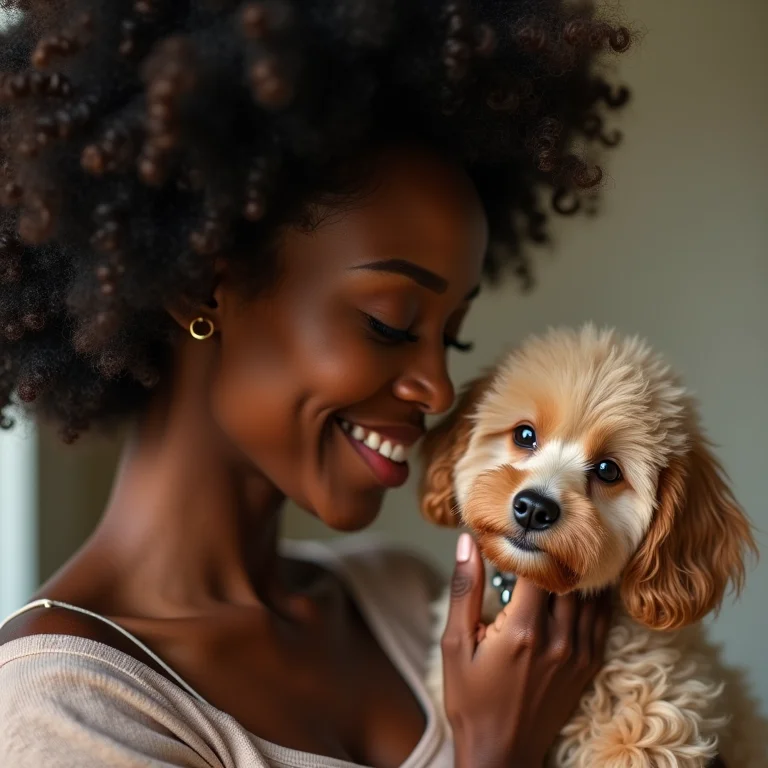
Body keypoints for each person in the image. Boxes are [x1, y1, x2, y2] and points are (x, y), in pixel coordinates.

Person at [0, 1, 634, 766]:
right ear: (202, 285)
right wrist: (496, 750)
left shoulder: (404, 600)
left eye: (451, 334)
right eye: (390, 323)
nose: (439, 389)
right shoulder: (66, 711)